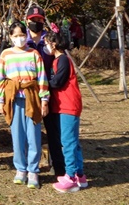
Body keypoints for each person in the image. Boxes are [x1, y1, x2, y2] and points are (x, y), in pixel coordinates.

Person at [0, 21, 50, 189]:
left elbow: (42, 77)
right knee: (17, 135)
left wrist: (44, 100)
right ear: (10, 37)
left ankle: (33, 170)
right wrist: (0, 100)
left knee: (33, 135)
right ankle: (21, 169)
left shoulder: (34, 53)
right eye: (15, 36)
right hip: (13, 99)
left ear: (26, 35)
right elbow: (0, 79)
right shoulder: (6, 54)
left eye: (21, 35)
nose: (19, 39)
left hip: (32, 97)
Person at [45, 30, 88, 193]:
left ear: (54, 44)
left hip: (68, 106)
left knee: (68, 142)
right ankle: (80, 175)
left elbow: (57, 82)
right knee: (73, 142)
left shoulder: (62, 59)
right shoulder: (61, 60)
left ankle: (70, 177)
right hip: (67, 105)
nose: (46, 46)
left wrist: (41, 83)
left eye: (47, 43)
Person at [26, 4, 65, 177]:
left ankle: (57, 166)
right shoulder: (21, 40)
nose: (36, 22)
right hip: (27, 92)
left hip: (50, 91)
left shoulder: (49, 41)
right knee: (28, 130)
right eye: (33, 20)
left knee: (53, 130)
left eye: (40, 20)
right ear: (27, 21)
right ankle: (29, 167)